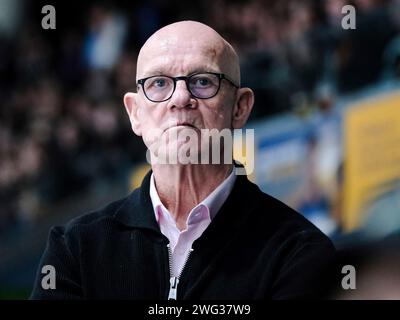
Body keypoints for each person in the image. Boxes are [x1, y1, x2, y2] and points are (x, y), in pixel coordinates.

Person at [30, 21, 337, 299]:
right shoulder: (75, 249)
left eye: (203, 81)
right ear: (135, 113)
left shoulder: (298, 252)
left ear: (240, 107)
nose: (179, 98)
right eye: (159, 83)